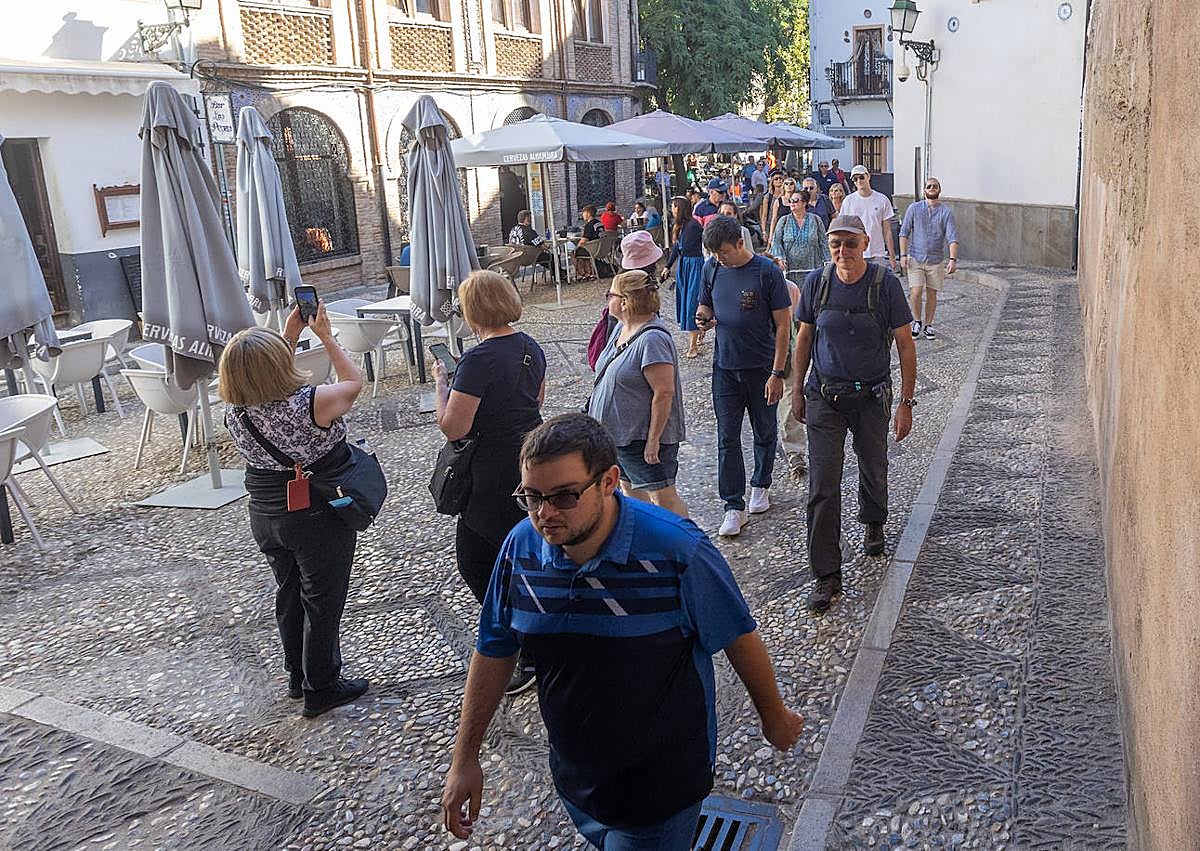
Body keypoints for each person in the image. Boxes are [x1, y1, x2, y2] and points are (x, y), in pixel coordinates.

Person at [440, 414, 804, 849]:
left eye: (564, 496)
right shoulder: (521, 549)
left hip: (661, 789)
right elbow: (495, 648)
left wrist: (773, 716)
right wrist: (464, 757)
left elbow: (738, 636)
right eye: (532, 497)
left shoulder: (677, 550)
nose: (544, 514)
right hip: (576, 784)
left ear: (609, 481)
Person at [219, 306, 369, 718]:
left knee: (289, 593)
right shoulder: (310, 404)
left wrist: (287, 335)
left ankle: (297, 676)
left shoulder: (236, 412)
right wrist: (326, 337)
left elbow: (259, 375)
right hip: (314, 514)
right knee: (322, 600)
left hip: (266, 513)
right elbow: (354, 382)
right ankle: (322, 687)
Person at [791, 215, 917, 613]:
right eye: (836, 244)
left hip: (871, 397)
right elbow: (804, 337)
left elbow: (905, 344)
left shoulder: (885, 285)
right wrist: (796, 390)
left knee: (873, 465)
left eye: (850, 243)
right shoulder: (817, 282)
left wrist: (906, 403)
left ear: (864, 243)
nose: (842, 251)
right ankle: (826, 574)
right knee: (823, 483)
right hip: (825, 396)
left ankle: (874, 520)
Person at [434, 270, 548, 693]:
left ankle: (528, 649)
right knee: (512, 555)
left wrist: (441, 386)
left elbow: (454, 427)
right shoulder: (530, 346)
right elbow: (536, 400)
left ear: (473, 310)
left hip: (490, 472)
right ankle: (530, 642)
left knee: (479, 561)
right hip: (528, 458)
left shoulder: (477, 360)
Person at [696, 216, 792, 537]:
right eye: (714, 253)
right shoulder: (711, 269)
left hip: (761, 367)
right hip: (725, 368)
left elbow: (783, 325)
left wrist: (777, 372)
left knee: (764, 430)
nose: (719, 258)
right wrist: (703, 317)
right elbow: (706, 304)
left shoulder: (767, 272)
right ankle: (733, 505)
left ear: (740, 243)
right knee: (727, 436)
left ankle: (761, 484)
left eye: (724, 251)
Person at [589, 271, 688, 517]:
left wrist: (653, 440)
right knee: (629, 491)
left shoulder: (652, 339)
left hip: (641, 438)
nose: (607, 299)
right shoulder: (621, 328)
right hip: (618, 436)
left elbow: (664, 393)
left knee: (663, 497)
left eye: (610, 295)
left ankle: (682, 539)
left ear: (624, 301)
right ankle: (646, 535)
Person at [899, 176, 960, 339]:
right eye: (929, 186)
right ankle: (917, 321)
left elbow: (952, 237)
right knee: (916, 291)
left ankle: (928, 325)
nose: (932, 188)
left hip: (936, 260)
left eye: (935, 186)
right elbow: (904, 233)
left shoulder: (946, 212)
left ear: (939, 190)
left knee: (932, 293)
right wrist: (903, 255)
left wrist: (953, 259)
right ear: (924, 190)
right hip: (916, 259)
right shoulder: (914, 208)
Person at [661, 195, 706, 358]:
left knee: (692, 302)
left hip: (694, 265)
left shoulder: (693, 226)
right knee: (687, 300)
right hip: (685, 265)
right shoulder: (682, 225)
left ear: (680, 208)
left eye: (674, 206)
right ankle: (700, 331)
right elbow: (677, 249)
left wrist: (677, 241)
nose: (672, 209)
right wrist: (667, 266)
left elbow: (683, 247)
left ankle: (693, 345)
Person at [839, 165, 898, 271]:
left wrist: (892, 256)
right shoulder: (848, 201)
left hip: (878, 253)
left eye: (861, 177)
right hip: (855, 252)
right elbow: (844, 230)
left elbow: (887, 230)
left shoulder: (882, 200)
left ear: (868, 177)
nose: (859, 181)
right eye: (855, 179)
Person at [771, 188, 831, 273]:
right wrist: (780, 258)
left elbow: (823, 242)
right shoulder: (783, 221)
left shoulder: (816, 220)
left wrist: (828, 262)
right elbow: (776, 242)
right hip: (790, 272)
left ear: (804, 203)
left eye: (795, 201)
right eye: (790, 201)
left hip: (813, 270)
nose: (792, 203)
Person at [507, 209, 556, 273]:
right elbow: (543, 246)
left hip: (517, 258)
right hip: (529, 258)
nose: (531, 219)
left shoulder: (513, 230)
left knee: (544, 256)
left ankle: (558, 273)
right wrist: (549, 246)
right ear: (526, 219)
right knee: (552, 256)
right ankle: (559, 274)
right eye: (530, 217)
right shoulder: (529, 231)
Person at [575, 205, 602, 279]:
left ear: (588, 213)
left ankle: (581, 274)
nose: (582, 215)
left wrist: (576, 248)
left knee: (575, 253)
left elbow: (583, 241)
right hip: (601, 249)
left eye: (583, 212)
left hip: (593, 250)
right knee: (583, 251)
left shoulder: (589, 225)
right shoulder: (599, 223)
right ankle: (589, 272)